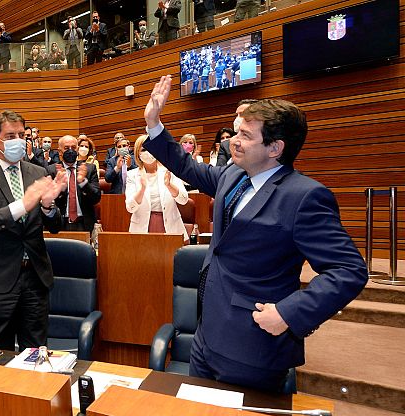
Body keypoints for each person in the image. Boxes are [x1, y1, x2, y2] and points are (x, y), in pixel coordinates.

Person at [142, 74, 367, 391]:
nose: (233, 141)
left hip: (253, 346)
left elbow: (348, 270)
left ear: (275, 148)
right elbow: (187, 166)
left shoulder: (304, 197)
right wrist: (154, 124)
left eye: (245, 136)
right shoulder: (233, 174)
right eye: (236, 133)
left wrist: (288, 313)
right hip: (206, 336)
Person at [0, 110, 67, 351]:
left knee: (36, 353)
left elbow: (55, 227)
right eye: (10, 136)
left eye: (21, 135)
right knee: (0, 355)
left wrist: (48, 206)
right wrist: (21, 206)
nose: (18, 141)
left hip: (35, 277)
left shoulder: (38, 172)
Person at [125, 135, 188, 240]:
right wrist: (142, 189)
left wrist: (169, 185)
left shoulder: (169, 170)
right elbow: (130, 208)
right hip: (142, 228)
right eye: (144, 149)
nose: (148, 152)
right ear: (138, 154)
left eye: (151, 148)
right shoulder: (132, 175)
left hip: (170, 226)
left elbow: (184, 200)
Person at [54, 135, 101, 233]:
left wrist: (83, 182)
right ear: (60, 151)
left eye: (73, 147)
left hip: (84, 224)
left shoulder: (89, 169)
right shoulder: (52, 170)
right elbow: (49, 202)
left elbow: (96, 198)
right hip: (60, 224)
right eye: (66, 148)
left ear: (77, 149)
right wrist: (59, 188)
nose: (70, 151)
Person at [218, 99, 258, 166]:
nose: (237, 119)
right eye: (237, 115)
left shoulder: (263, 141)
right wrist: (233, 158)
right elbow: (220, 170)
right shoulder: (226, 145)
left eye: (242, 114)